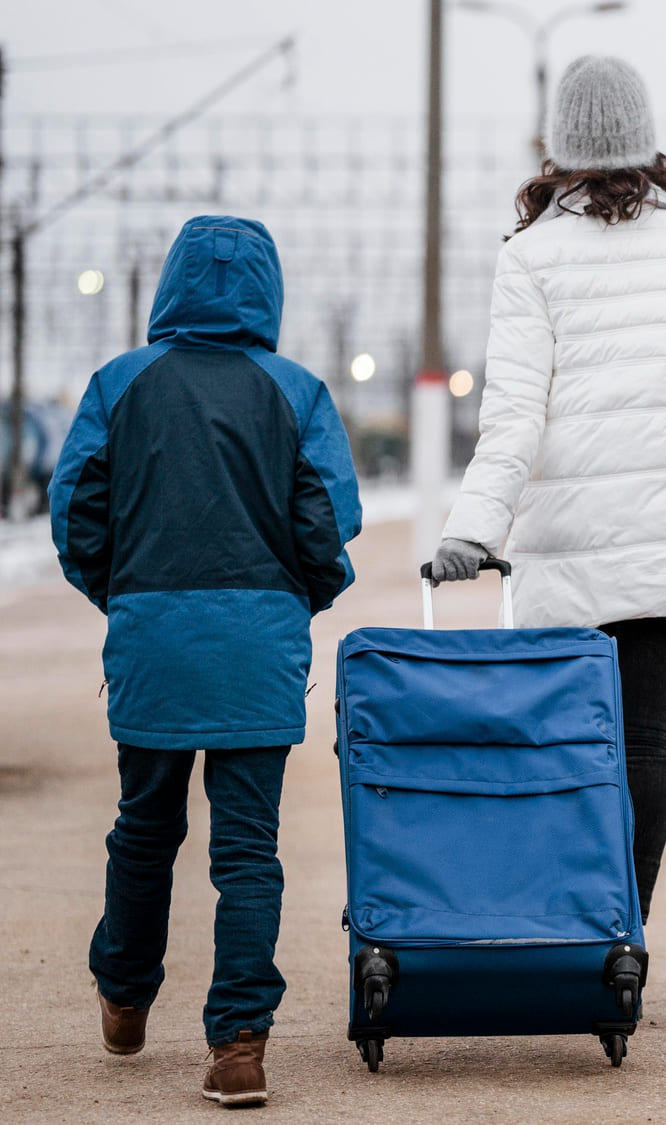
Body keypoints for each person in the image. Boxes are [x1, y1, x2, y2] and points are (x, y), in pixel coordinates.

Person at [431, 56, 666, 924]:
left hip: (568, 554)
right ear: (646, 142)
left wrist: (472, 531)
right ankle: (624, 938)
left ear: (559, 149)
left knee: (570, 746)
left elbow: (513, 419)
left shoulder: (528, 258)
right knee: (648, 743)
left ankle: (570, 925)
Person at [47, 215, 362, 1106]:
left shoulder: (120, 384)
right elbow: (325, 525)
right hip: (258, 646)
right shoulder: (295, 391)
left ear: (171, 285)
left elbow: (75, 515)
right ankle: (238, 1046)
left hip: (152, 638)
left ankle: (124, 992)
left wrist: (124, 595)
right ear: (268, 289)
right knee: (248, 852)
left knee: (143, 829)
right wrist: (304, 598)